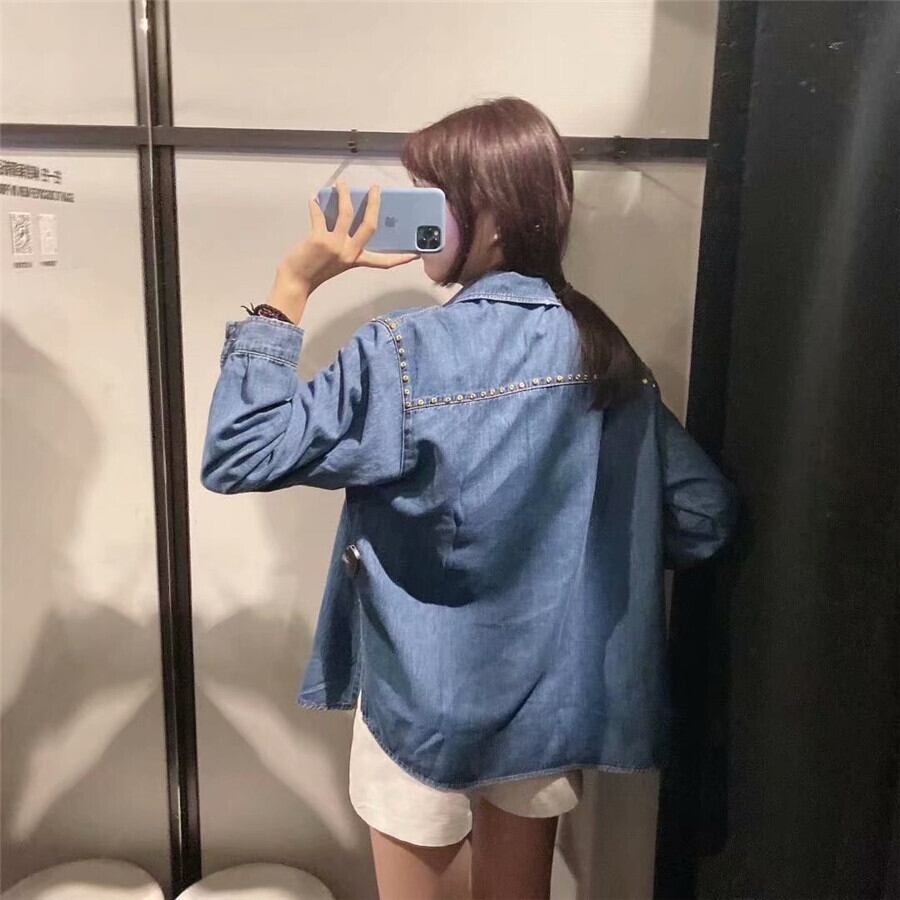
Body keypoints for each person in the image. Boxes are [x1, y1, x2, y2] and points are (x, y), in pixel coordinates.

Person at [201, 96, 741, 900]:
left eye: (431, 197)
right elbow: (704, 518)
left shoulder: (401, 352)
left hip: (418, 702)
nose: (416, 218)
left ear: (491, 216)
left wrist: (293, 284)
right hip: (547, 708)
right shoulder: (603, 351)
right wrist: (588, 548)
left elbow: (239, 451)